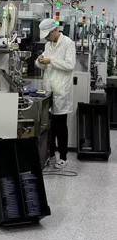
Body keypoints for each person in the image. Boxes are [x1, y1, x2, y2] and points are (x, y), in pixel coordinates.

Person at [35, 18, 76, 169]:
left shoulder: (68, 43)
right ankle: (51, 155)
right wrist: (39, 61)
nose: (46, 38)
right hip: (49, 89)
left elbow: (70, 65)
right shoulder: (48, 44)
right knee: (49, 125)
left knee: (60, 126)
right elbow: (42, 64)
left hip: (61, 90)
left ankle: (63, 157)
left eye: (48, 35)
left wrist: (50, 60)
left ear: (54, 31)